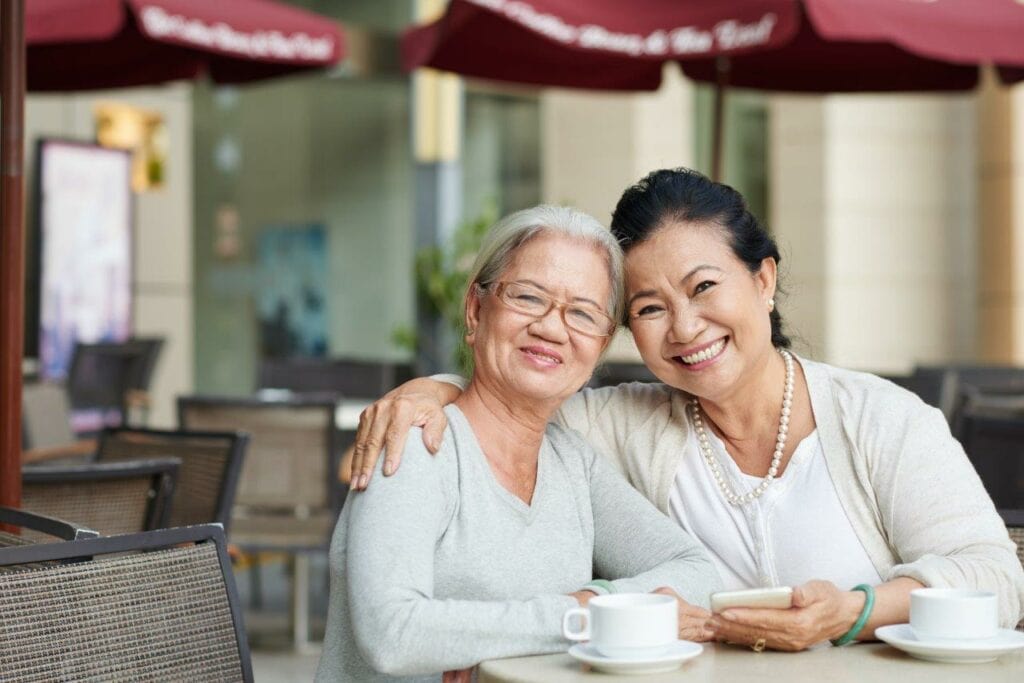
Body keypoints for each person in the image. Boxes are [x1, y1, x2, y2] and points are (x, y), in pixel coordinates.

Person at [348, 168, 1024, 652]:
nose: (685, 326)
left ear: (763, 279)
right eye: (648, 308)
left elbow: (999, 578)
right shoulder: (614, 425)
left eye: (704, 287)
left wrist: (855, 610)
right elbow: (512, 402)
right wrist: (432, 389)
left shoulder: (880, 419)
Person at [316, 204, 721, 682]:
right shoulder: (419, 442)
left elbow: (696, 571)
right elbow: (393, 634)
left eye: (583, 314)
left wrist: (592, 602)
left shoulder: (573, 464)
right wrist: (583, 618)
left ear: (600, 346)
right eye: (528, 298)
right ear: (476, 309)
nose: (552, 327)